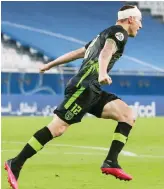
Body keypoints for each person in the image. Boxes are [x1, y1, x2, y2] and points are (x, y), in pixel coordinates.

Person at [4, 5, 142, 189]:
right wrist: (102, 73)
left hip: (93, 90)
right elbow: (106, 53)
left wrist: (51, 64)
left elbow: (78, 52)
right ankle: (16, 163)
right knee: (57, 128)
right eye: (139, 21)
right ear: (131, 19)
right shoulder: (119, 33)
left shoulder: (102, 35)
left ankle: (111, 162)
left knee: (127, 115)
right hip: (83, 88)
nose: (140, 26)